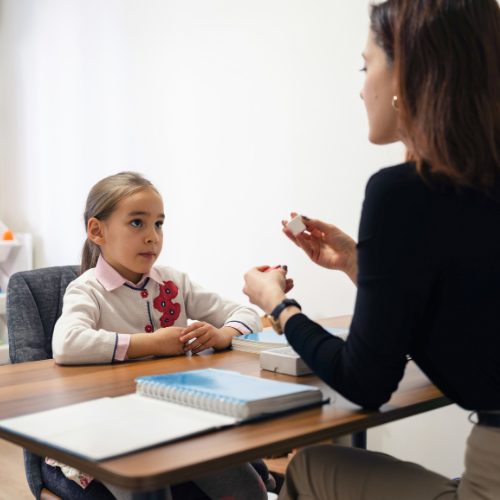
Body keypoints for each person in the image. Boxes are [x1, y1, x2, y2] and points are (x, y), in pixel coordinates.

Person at [243, 0, 500, 498]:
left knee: (310, 466)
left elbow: (364, 384)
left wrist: (278, 305)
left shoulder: (402, 193)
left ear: (409, 72)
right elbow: (469, 318)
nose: (362, 88)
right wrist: (362, 264)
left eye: (366, 67)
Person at [45, 171, 271, 500]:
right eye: (137, 223)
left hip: (180, 419)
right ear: (97, 231)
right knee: (148, 489)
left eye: (159, 224)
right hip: (113, 430)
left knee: (249, 490)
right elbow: (66, 345)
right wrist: (151, 344)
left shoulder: (174, 282)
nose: (153, 236)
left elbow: (248, 315)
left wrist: (224, 334)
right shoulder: (87, 290)